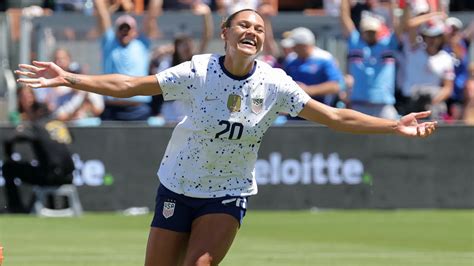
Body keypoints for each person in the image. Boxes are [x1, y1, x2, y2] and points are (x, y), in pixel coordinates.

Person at [15, 8, 437, 266]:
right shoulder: (197, 72)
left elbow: (333, 116)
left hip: (228, 192)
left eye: (257, 27)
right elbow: (129, 86)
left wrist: (393, 123)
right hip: (177, 186)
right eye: (243, 26)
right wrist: (69, 77)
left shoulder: (275, 84)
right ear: (226, 34)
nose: (251, 32)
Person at [2, 87, 75, 213]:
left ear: (36, 113)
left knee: (8, 168)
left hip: (50, 176)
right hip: (69, 176)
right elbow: (71, 138)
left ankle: (15, 208)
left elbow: (10, 139)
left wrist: (9, 151)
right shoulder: (57, 124)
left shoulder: (37, 126)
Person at [94, 0, 160, 121]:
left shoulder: (142, 43)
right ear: (116, 31)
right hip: (111, 110)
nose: (125, 32)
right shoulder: (109, 42)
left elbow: (151, 16)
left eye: (128, 28)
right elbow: (102, 13)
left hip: (138, 110)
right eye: (121, 28)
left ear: (135, 31)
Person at [282, 27, 343, 107]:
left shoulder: (324, 58)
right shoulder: (290, 60)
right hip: (294, 109)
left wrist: (307, 90)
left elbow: (335, 86)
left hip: (321, 108)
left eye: (295, 46)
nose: (292, 49)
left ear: (304, 46)